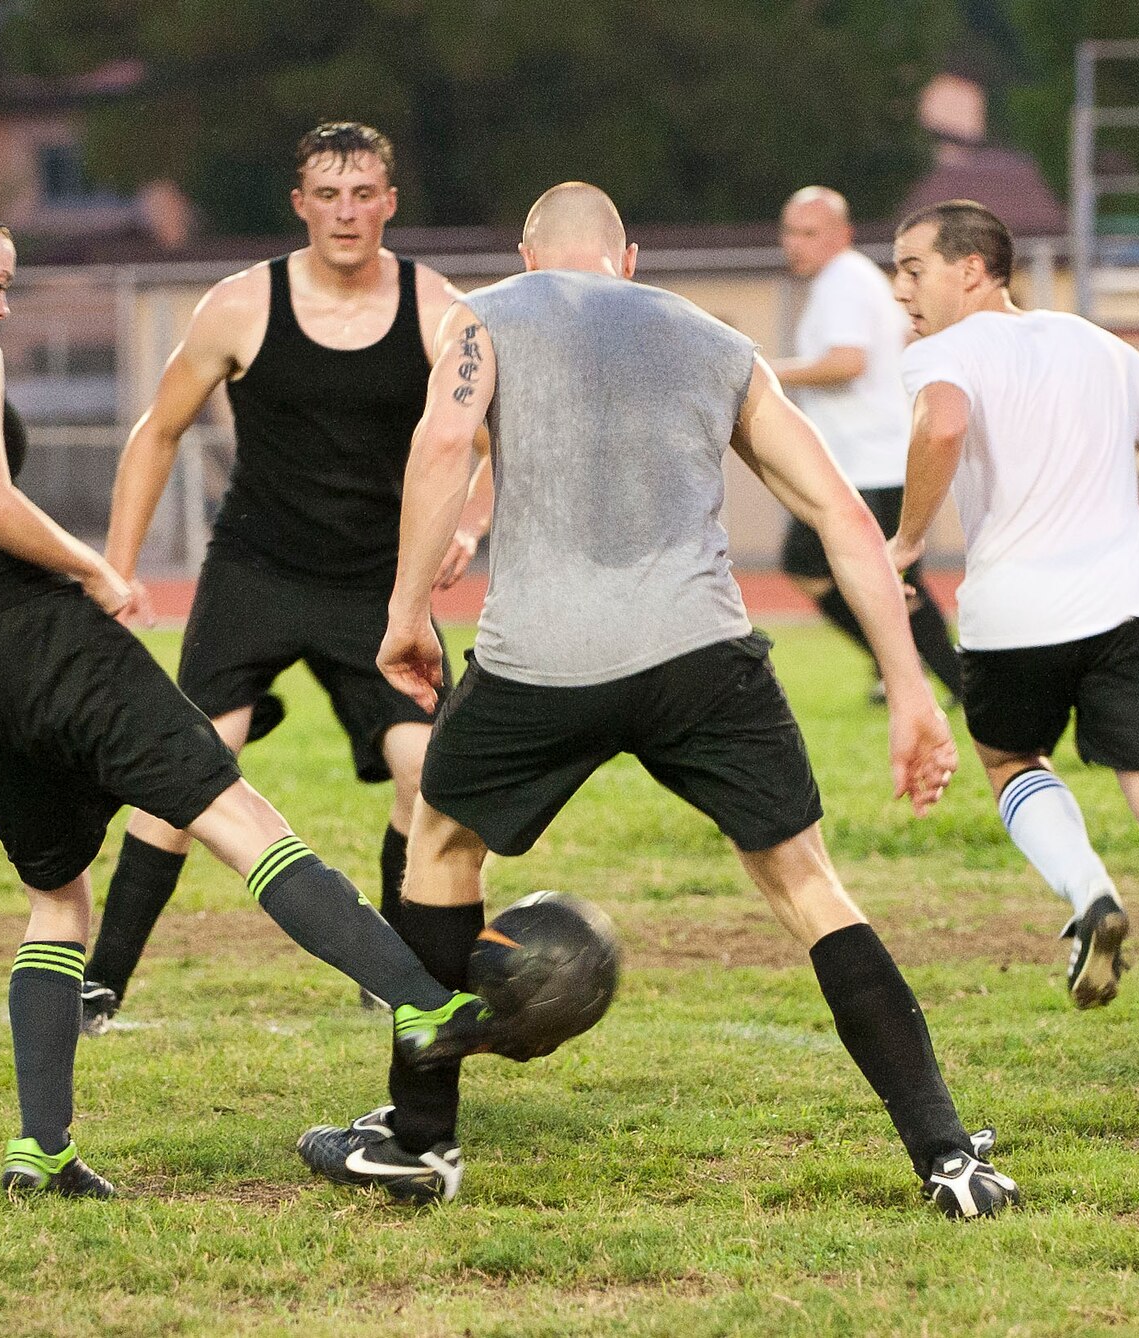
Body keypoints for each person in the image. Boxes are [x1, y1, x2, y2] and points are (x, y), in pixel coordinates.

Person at [0, 174, 499, 1200]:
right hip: (42, 640)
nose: (3, 305)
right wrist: (96, 568)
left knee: (53, 896)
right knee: (231, 808)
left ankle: (44, 1150)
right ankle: (421, 1003)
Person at [295, 183, 1020, 1218]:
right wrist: (910, 689)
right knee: (807, 886)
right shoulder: (715, 339)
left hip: (541, 659)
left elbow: (442, 448)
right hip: (698, 656)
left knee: (443, 847)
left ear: (525, 252)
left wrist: (407, 612)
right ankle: (946, 1157)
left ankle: (420, 1140)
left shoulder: (482, 314)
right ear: (627, 258)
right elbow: (842, 516)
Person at [82, 121, 492, 1032]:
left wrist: (471, 522)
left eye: (364, 195)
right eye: (328, 195)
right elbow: (156, 433)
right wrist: (115, 570)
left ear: (390, 202)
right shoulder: (237, 306)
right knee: (191, 768)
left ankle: (398, 967)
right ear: (300, 204)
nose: (347, 213)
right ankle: (100, 981)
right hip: (256, 572)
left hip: (378, 586)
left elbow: (496, 433)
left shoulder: (439, 311)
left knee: (430, 771)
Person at [886, 199, 1139, 1050]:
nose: (900, 289)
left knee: (1008, 758)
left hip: (1016, 609)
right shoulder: (1093, 342)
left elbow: (945, 422)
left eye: (914, 268)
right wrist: (1094, 430)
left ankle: (1091, 896)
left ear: (972, 270)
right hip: (1132, 603)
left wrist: (907, 541)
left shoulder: (943, 353)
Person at [773, 186, 961, 704]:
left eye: (810, 233)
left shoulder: (841, 282)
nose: (796, 244)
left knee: (867, 580)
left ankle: (944, 680)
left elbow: (847, 362)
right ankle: (922, 674)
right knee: (885, 584)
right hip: (872, 458)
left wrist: (765, 372)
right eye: (790, 231)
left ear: (842, 234)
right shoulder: (860, 277)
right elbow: (902, 340)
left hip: (867, 463)